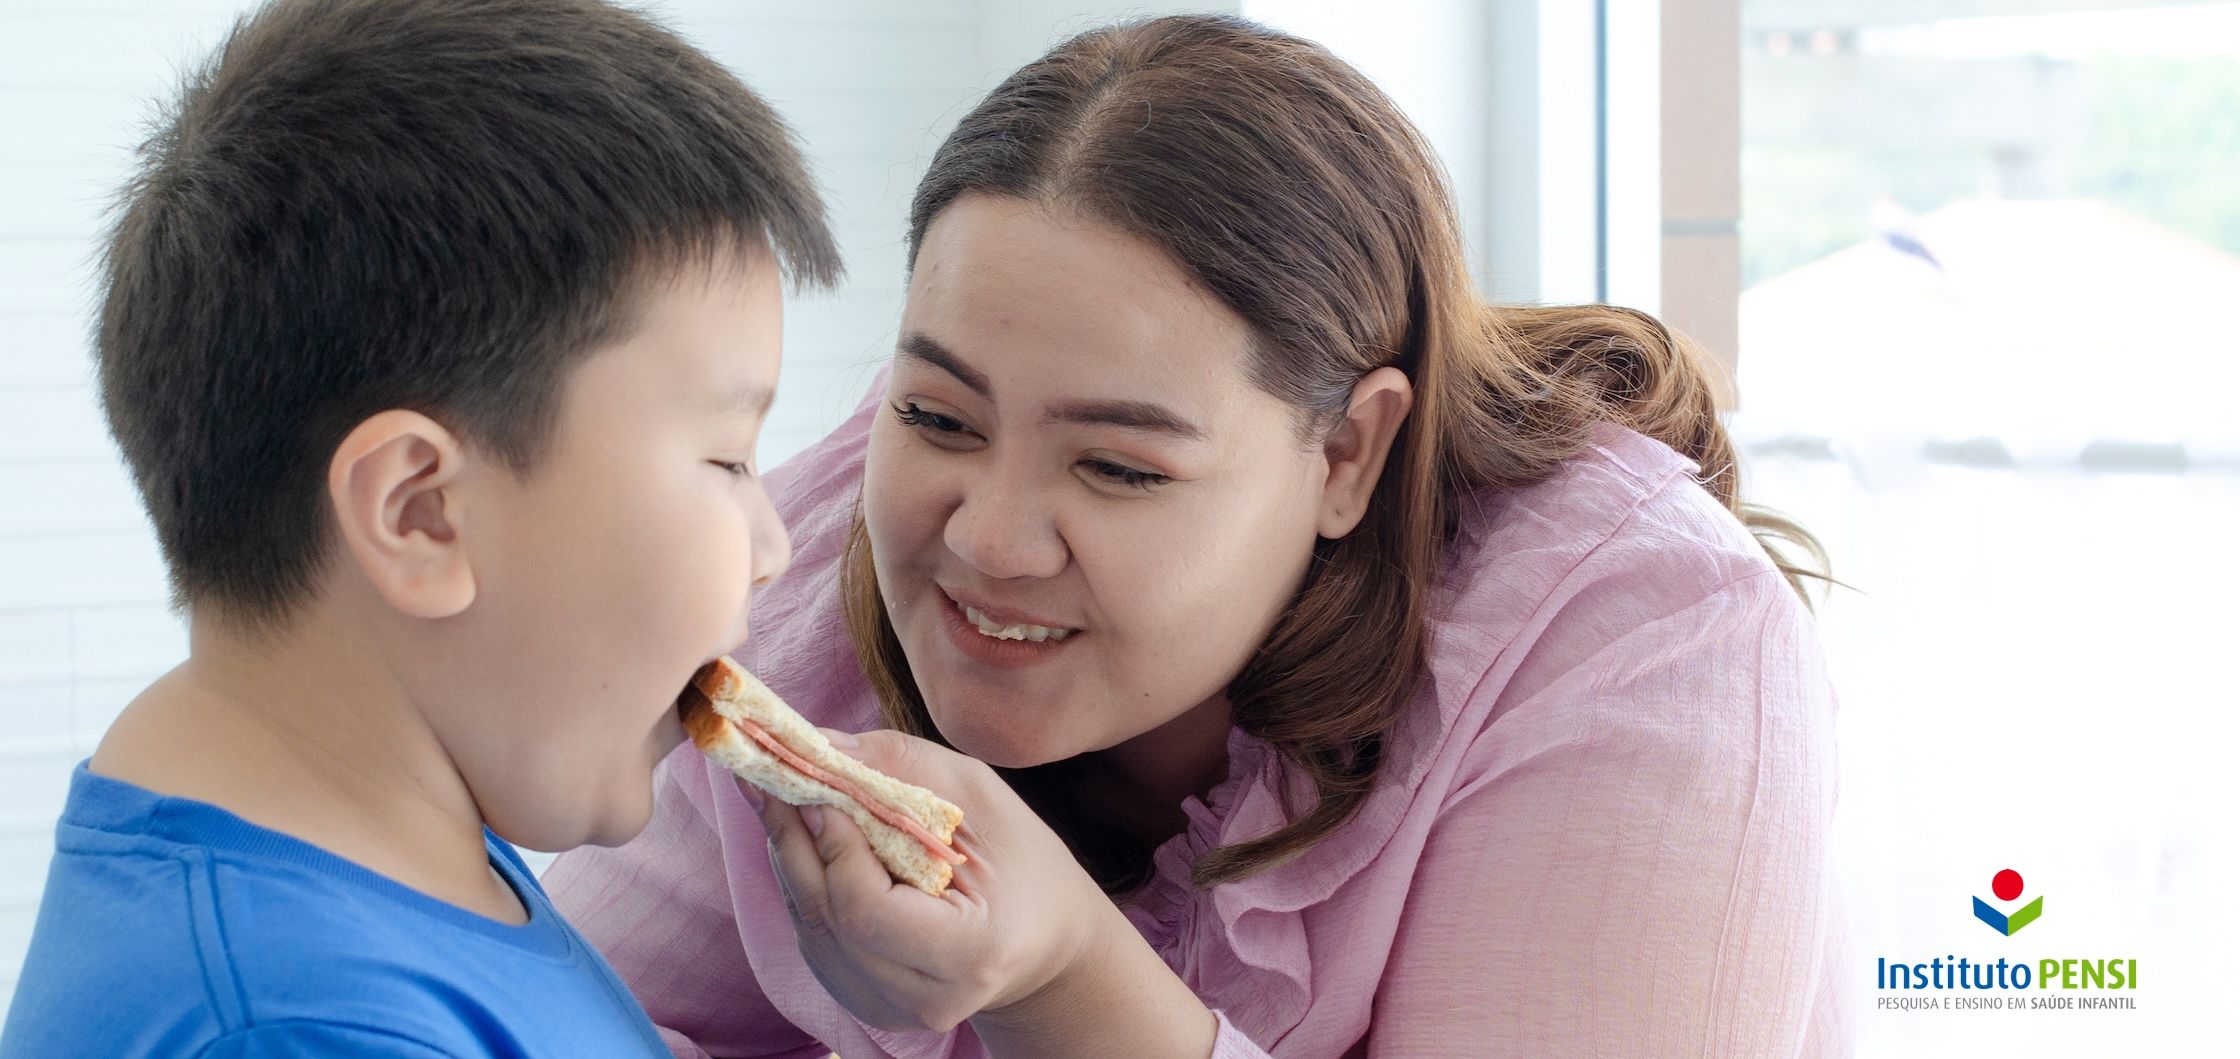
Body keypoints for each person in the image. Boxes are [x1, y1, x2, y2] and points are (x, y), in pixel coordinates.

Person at [548, 14, 1850, 1058]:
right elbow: (536, 1016)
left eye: (1116, 465)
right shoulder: (812, 573)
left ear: (1348, 453)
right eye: (937, 413)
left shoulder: (1648, 636)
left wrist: (1063, 982)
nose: (988, 536)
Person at [0, 0, 838, 1054]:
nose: (775, 550)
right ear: (419, 512)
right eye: (726, 460)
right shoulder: (300, 1027)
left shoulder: (391, 842)